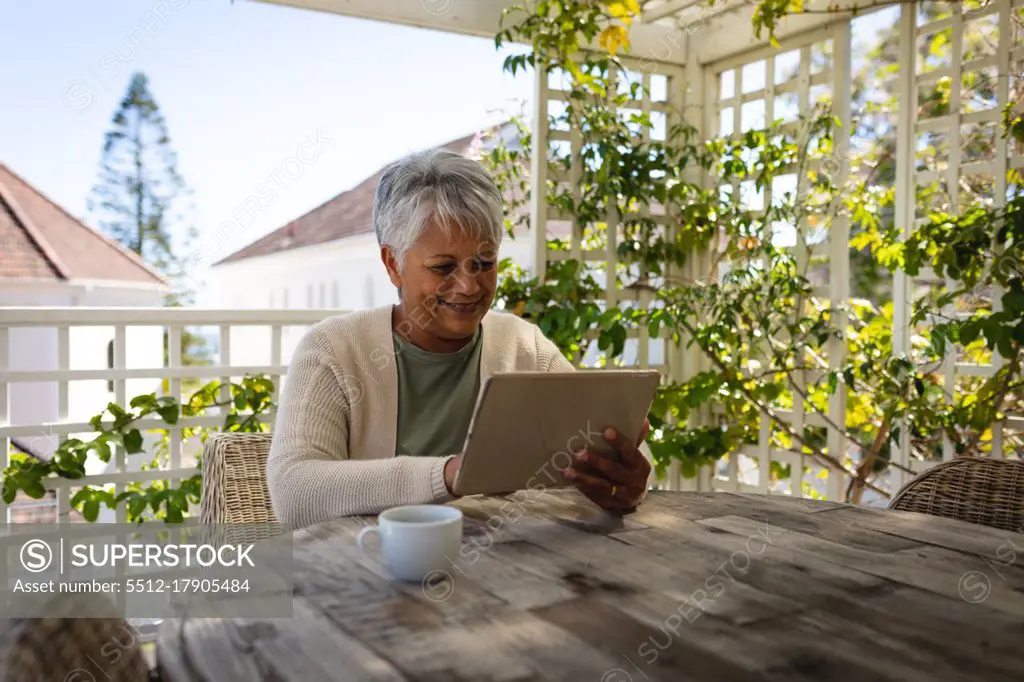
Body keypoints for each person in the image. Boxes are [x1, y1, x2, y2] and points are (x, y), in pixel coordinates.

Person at [266, 148, 652, 529]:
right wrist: (449, 475)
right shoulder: (334, 351)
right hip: (361, 579)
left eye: (484, 263)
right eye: (443, 266)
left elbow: (629, 460)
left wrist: (627, 484)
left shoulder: (523, 346)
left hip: (508, 578)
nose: (468, 285)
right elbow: (294, 493)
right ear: (392, 264)